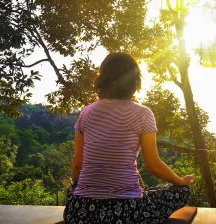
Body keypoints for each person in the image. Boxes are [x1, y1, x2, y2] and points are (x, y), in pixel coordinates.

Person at [63, 52, 195, 224]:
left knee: (73, 189)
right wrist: (181, 180)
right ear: (134, 81)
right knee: (181, 191)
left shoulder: (86, 112)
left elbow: (77, 164)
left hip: (81, 212)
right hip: (127, 213)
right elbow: (153, 166)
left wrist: (81, 188)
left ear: (103, 79)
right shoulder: (143, 114)